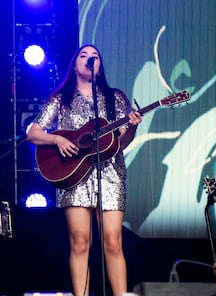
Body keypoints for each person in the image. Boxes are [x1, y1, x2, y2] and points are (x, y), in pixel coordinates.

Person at [26, 44, 142, 296]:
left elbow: (118, 144)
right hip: (74, 175)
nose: (90, 59)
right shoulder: (61, 98)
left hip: (110, 174)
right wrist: (56, 140)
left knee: (113, 241)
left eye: (95, 57)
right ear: (75, 64)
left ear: (99, 67)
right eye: (83, 55)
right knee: (80, 243)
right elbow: (32, 132)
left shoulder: (115, 98)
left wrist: (131, 128)